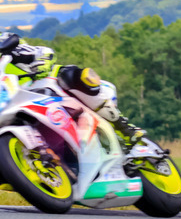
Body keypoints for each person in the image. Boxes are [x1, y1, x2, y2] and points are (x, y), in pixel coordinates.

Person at [1, 32, 146, 149]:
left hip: (42, 86)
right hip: (12, 110)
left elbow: (44, 52)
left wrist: (40, 64)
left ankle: (124, 128)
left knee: (71, 74)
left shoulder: (5, 44)